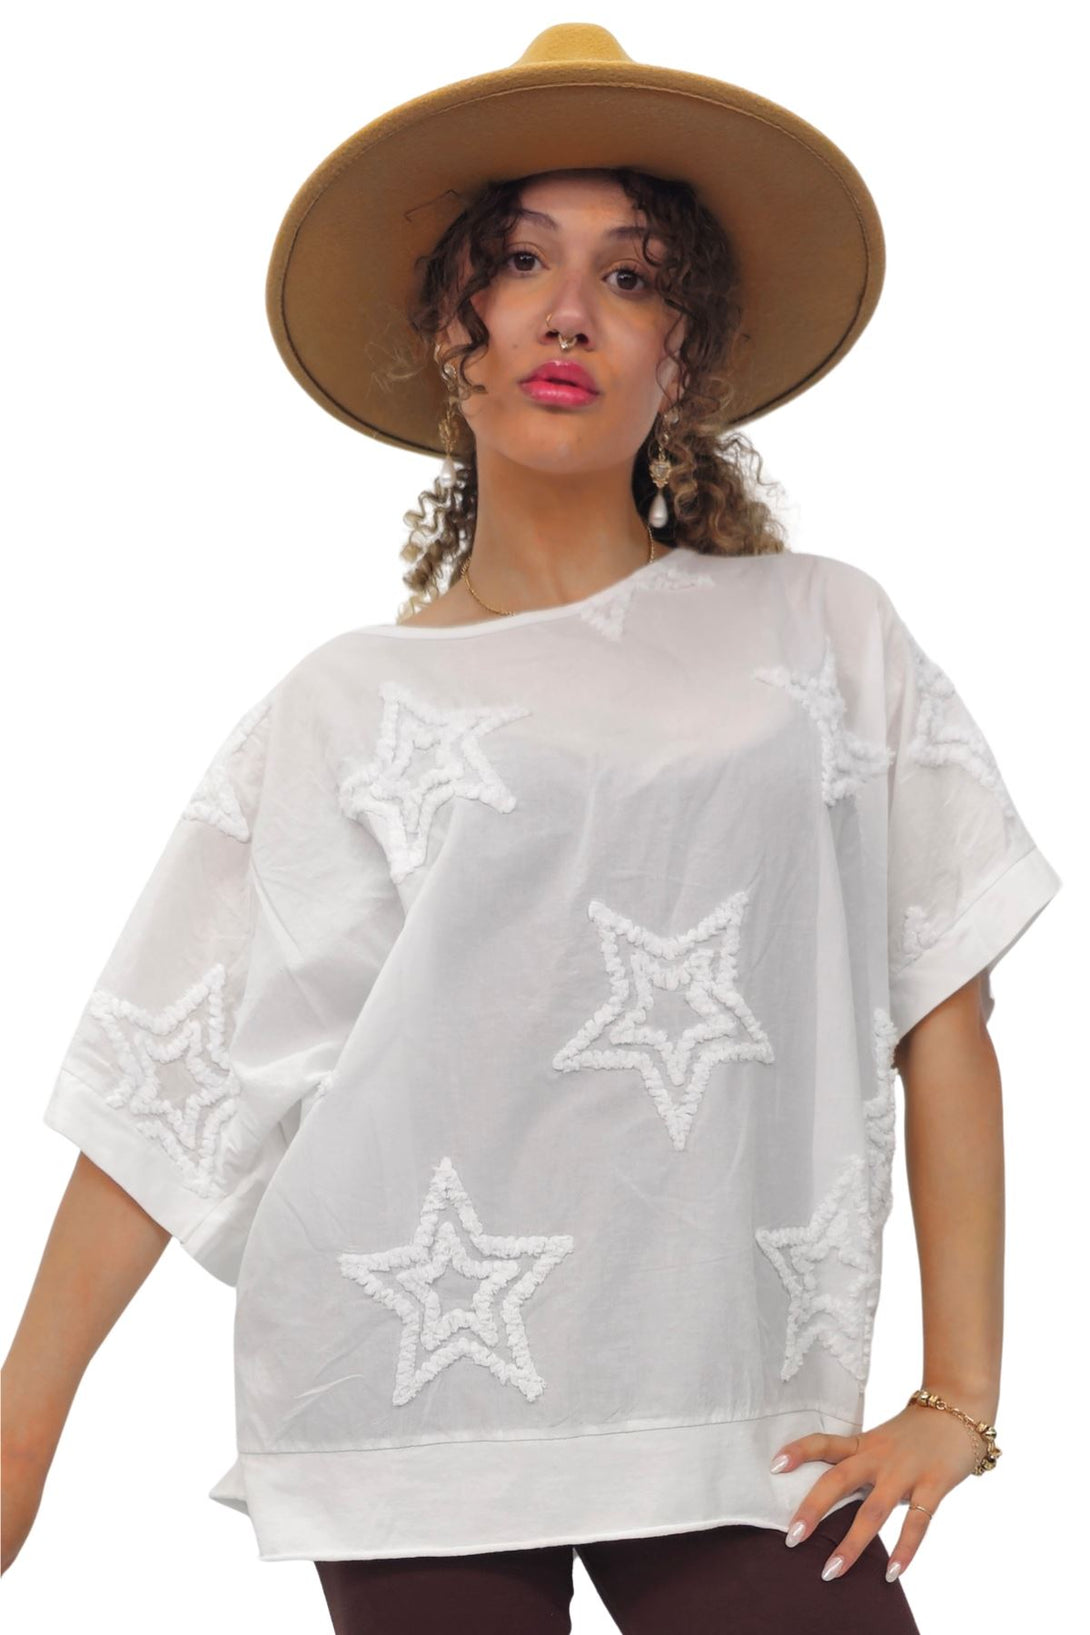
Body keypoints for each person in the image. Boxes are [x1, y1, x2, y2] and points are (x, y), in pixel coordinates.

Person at [1, 22, 1062, 1634]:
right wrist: (24, 1428)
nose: (569, 311)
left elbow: (944, 1008)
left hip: (737, 1411)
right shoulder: (346, 704)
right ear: (455, 331)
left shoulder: (823, 637)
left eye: (630, 277)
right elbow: (180, 1072)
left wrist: (956, 1398)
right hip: (409, 1404)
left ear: (681, 357)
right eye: (517, 263)